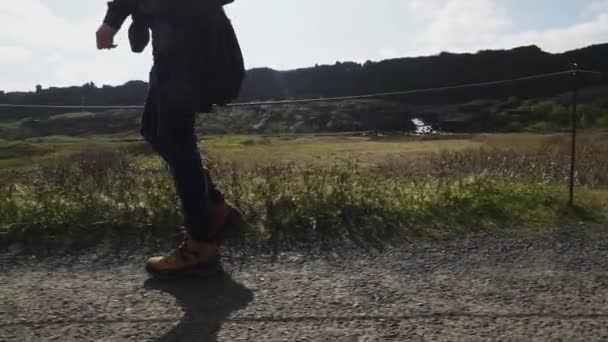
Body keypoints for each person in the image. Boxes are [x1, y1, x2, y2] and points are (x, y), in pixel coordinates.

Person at [97, 0, 245, 278]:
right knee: (154, 130)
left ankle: (200, 244)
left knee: (176, 137)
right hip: (172, 50)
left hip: (192, 49)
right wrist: (112, 22)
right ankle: (213, 207)